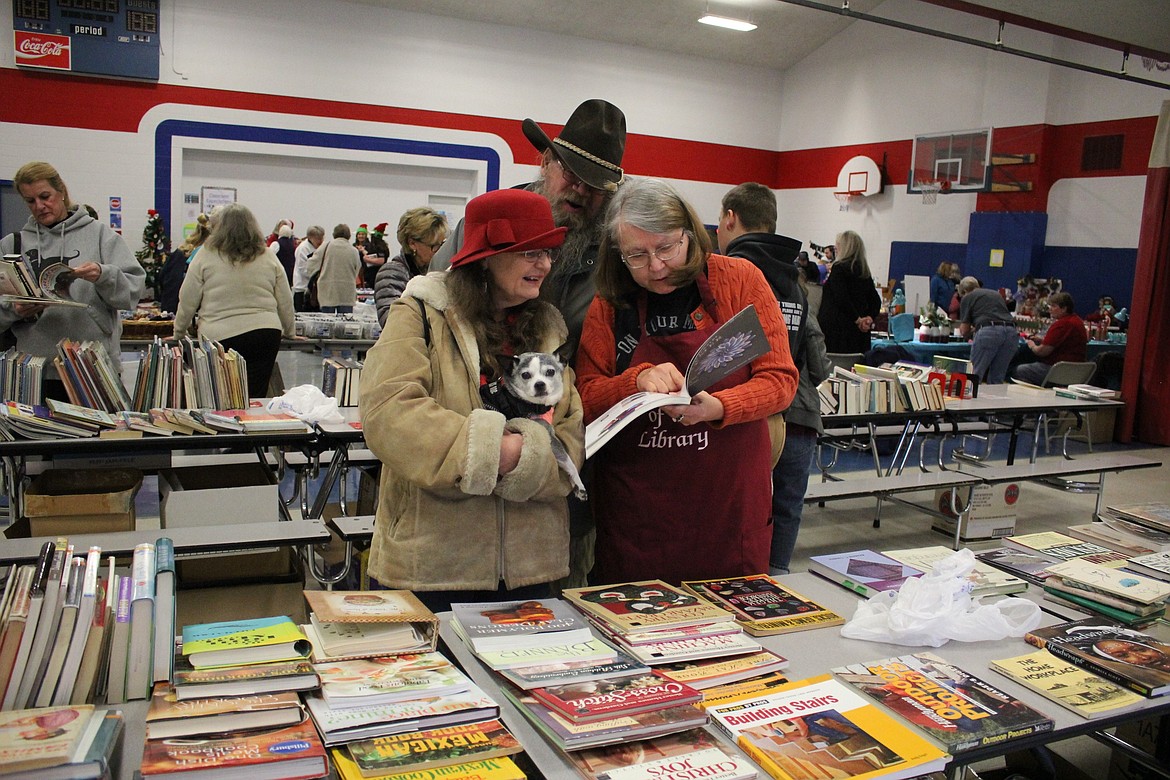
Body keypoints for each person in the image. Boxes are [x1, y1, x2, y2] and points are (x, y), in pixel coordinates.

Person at [431, 98, 627, 592]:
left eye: (595, 185)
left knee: (554, 601)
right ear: (547, 163)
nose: (581, 191)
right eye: (572, 174)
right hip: (468, 451)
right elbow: (435, 321)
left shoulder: (617, 255)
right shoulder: (484, 221)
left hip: (558, 465)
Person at [359, 189, 583, 613]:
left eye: (549, 253)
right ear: (486, 257)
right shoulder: (423, 313)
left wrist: (524, 457)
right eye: (530, 252)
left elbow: (570, 441)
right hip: (432, 569)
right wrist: (496, 451)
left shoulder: (548, 331)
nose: (546, 265)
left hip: (535, 571)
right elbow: (389, 412)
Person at [576, 178, 799, 585]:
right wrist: (635, 380)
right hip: (639, 516)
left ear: (690, 233)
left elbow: (780, 380)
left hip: (726, 509)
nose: (656, 266)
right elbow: (585, 398)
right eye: (636, 256)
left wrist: (719, 407)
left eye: (666, 248)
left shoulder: (740, 280)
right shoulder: (609, 305)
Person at [716, 182, 830, 575]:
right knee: (785, 513)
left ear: (730, 218)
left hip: (741, 417)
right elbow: (818, 361)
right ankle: (775, 591)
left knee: (731, 517)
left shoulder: (727, 273)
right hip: (799, 415)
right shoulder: (795, 282)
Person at [0, 161, 145, 400]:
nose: (39, 206)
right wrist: (14, 309)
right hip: (35, 373)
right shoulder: (11, 245)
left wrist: (103, 274)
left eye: (45, 196)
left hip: (93, 370)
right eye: (30, 201)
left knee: (97, 437)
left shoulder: (100, 235)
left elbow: (132, 292)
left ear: (62, 192)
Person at [173, 203, 295, 398]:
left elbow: (187, 299)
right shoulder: (267, 255)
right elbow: (285, 298)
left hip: (219, 336)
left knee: (223, 400)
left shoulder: (205, 254)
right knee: (254, 398)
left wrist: (178, 332)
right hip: (265, 334)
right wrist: (290, 331)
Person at [374, 207, 448, 326]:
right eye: (434, 246)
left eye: (442, 244)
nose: (438, 251)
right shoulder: (392, 273)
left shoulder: (435, 270)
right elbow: (392, 322)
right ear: (412, 243)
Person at [817, 230, 881, 354]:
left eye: (838, 245)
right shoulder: (863, 271)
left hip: (838, 331)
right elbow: (875, 300)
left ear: (845, 247)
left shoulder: (839, 268)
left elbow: (841, 298)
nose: (835, 248)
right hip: (859, 334)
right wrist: (868, 318)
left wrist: (857, 320)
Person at [1012, 291, 1088, 384]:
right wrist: (1042, 340)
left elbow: (1042, 352)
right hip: (1075, 371)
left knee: (1018, 370)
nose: (1050, 309)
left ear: (1064, 308)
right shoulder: (1077, 321)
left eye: (1053, 306)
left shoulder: (1061, 324)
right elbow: (1064, 344)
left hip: (1058, 370)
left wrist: (1031, 345)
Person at [956, 276, 1018, 384]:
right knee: (998, 377)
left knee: (974, 375)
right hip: (1011, 332)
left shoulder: (968, 297)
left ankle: (970, 399)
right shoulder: (995, 294)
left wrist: (970, 333)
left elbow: (964, 330)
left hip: (989, 332)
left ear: (964, 291)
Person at [158, 212, 210, 315]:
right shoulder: (207, 255)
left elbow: (161, 278)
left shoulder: (179, 253)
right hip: (193, 313)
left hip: (169, 309)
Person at [305, 224, 362, 314]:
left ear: (334, 234)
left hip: (328, 290)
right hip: (347, 291)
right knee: (345, 322)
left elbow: (310, 265)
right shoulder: (354, 251)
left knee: (327, 322)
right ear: (349, 235)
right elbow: (357, 269)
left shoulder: (326, 247)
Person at [291, 225, 325, 311]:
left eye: (322, 238)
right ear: (310, 238)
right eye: (318, 239)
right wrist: (318, 275)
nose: (320, 241)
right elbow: (303, 269)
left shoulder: (321, 247)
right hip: (303, 289)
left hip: (317, 290)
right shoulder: (303, 249)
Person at [363, 222, 391, 289]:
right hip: (369, 277)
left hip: (376, 277)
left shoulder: (380, 247)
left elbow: (381, 260)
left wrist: (367, 259)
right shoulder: (373, 246)